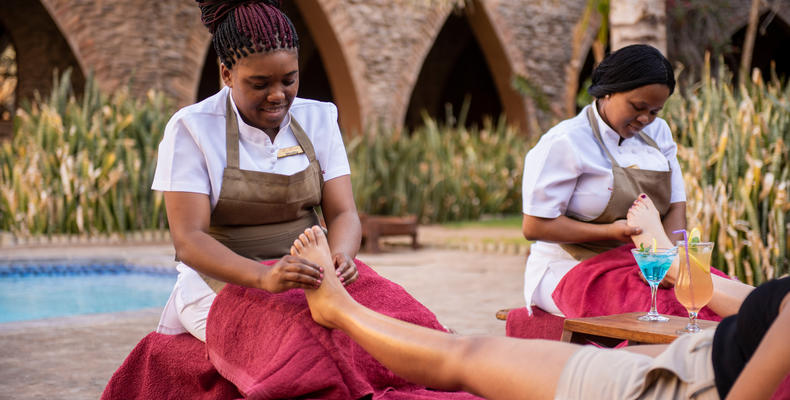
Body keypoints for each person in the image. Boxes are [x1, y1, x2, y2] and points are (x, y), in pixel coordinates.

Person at [293, 195, 788, 400]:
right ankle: (666, 258)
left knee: (466, 354)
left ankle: (339, 308)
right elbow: (747, 301)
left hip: (684, 382)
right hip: (709, 351)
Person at [152, 0, 361, 342]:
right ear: (227, 74)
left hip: (312, 273)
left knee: (389, 329)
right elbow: (189, 240)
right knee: (299, 344)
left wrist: (339, 258)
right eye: (260, 84)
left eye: (289, 80)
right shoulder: (192, 129)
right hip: (222, 283)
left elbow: (343, 212)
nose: (278, 95)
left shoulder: (318, 118)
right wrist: (264, 278)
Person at [520, 44, 688, 316]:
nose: (646, 119)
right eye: (638, 106)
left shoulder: (659, 133)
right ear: (608, 90)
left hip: (637, 265)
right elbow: (535, 225)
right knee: (660, 312)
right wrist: (609, 232)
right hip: (570, 268)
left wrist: (664, 265)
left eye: (655, 111)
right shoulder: (566, 141)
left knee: (714, 296)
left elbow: (676, 206)